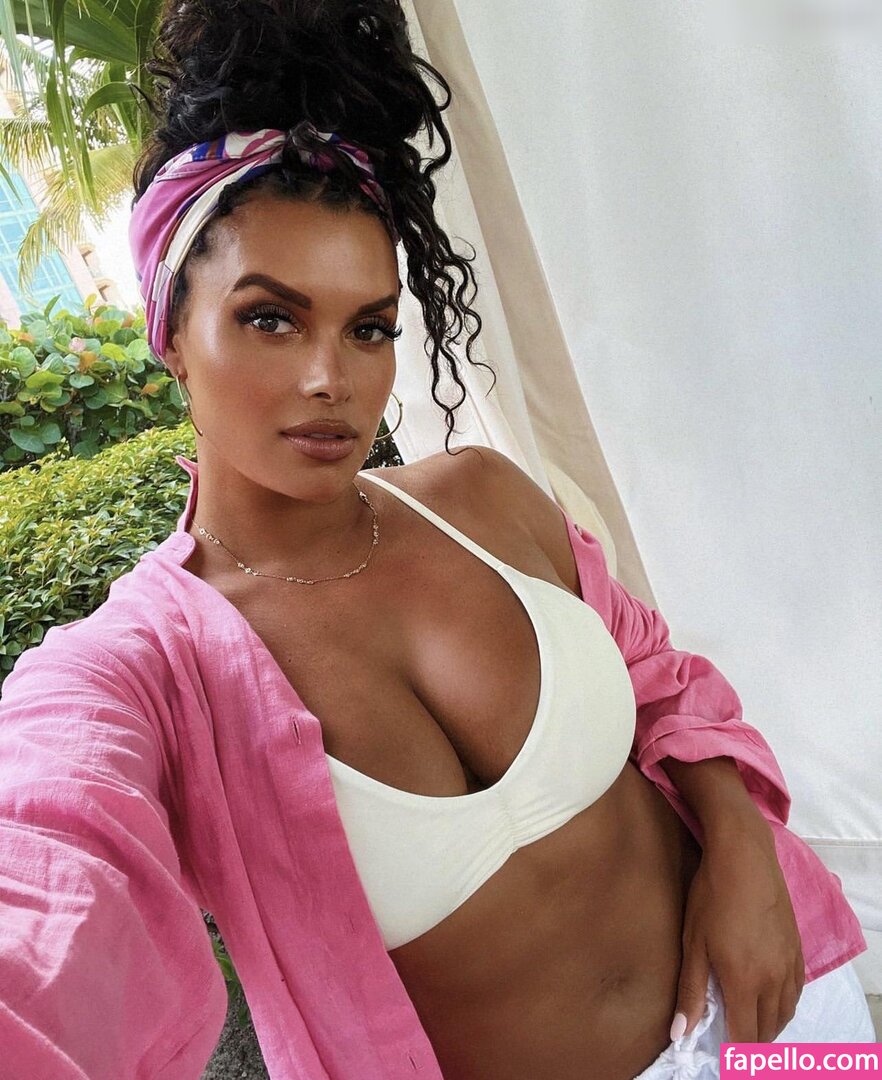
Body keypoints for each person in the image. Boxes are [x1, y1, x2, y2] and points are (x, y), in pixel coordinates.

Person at [0, 2, 872, 1078]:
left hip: (788, 1018)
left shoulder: (481, 499)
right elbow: (45, 878)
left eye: (369, 327)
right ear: (170, 330)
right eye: (271, 318)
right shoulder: (145, 672)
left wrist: (741, 852)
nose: (331, 377)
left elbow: (660, 682)